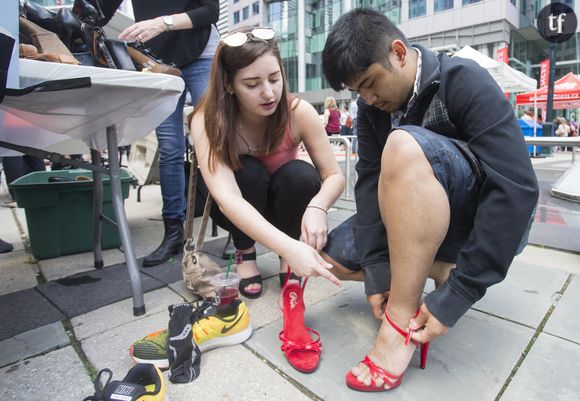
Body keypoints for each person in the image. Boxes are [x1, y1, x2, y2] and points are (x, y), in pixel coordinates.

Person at [320, 9, 538, 391]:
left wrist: (462, 291)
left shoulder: (464, 80)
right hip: (410, 219)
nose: (368, 98)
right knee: (326, 258)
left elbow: (517, 187)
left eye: (371, 83)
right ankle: (434, 269)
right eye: (358, 92)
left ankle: (399, 322)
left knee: (403, 144)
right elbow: (369, 184)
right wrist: (377, 269)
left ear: (399, 52)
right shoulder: (371, 108)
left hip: (474, 218)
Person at [189, 26, 344, 372]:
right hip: (239, 205)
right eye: (252, 84)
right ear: (228, 84)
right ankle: (246, 253)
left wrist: (319, 207)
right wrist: (291, 248)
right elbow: (227, 197)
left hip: (286, 201)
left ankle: (288, 262)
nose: (268, 92)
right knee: (248, 172)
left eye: (274, 78)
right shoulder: (207, 120)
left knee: (302, 175)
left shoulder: (298, 111)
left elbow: (334, 175)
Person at [98, 0, 219, 267]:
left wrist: (162, 22)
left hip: (201, 52)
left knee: (212, 142)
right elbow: (96, 11)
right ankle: (173, 232)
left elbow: (211, 11)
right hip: (157, 60)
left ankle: (238, 224)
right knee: (169, 148)